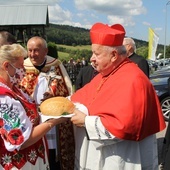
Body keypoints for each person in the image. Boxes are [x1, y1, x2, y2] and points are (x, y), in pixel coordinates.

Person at [69, 22, 166, 170]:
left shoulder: (134, 79)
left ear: (114, 55)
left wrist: (85, 121)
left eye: (96, 53)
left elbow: (124, 126)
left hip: (123, 157)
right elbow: (82, 95)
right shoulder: (105, 74)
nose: (91, 59)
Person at [0, 44, 67, 170]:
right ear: (6, 66)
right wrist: (53, 122)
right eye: (20, 67)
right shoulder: (4, 98)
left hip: (33, 159)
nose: (24, 72)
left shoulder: (15, 89)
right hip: (20, 164)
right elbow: (22, 140)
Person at [20, 36, 75, 170]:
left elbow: (66, 90)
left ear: (45, 51)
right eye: (30, 50)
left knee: (54, 154)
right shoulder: (22, 67)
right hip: (32, 121)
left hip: (53, 121)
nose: (32, 54)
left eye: (36, 50)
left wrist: (53, 94)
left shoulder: (56, 65)